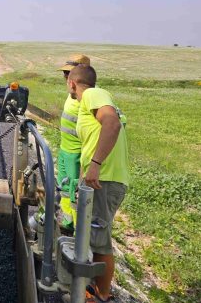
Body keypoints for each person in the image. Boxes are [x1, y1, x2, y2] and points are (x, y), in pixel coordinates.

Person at [67, 65, 130, 303]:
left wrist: (95, 164)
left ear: (72, 84)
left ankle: (102, 295)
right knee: (93, 236)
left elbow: (111, 124)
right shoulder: (93, 103)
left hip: (105, 179)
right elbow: (93, 141)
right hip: (100, 178)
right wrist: (84, 174)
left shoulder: (93, 95)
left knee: (99, 239)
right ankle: (92, 288)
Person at [57, 54, 91, 232]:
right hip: (65, 151)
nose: (66, 78)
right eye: (64, 74)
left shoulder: (89, 99)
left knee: (75, 194)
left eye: (69, 74)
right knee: (64, 189)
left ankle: (80, 235)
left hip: (77, 156)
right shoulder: (71, 95)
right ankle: (66, 222)